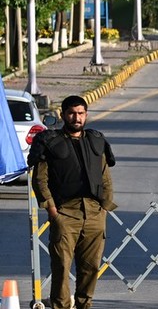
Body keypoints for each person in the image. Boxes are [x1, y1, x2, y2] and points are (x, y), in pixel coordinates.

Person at [29, 95, 117, 309]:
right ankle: (61, 306)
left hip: (94, 213)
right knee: (61, 266)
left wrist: (105, 206)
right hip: (65, 213)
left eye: (80, 113)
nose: (76, 118)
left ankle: (84, 305)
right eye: (71, 113)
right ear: (63, 115)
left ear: (86, 115)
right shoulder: (50, 142)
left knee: (91, 267)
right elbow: (40, 179)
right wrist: (51, 209)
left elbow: (105, 176)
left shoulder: (96, 140)